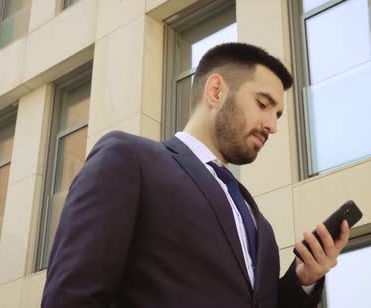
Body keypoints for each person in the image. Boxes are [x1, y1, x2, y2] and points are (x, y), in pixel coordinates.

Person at [41, 42, 350, 308]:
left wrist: (303, 279)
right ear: (216, 91)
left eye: (277, 114)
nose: (273, 125)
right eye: (262, 104)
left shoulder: (260, 226)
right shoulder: (129, 160)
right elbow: (73, 296)